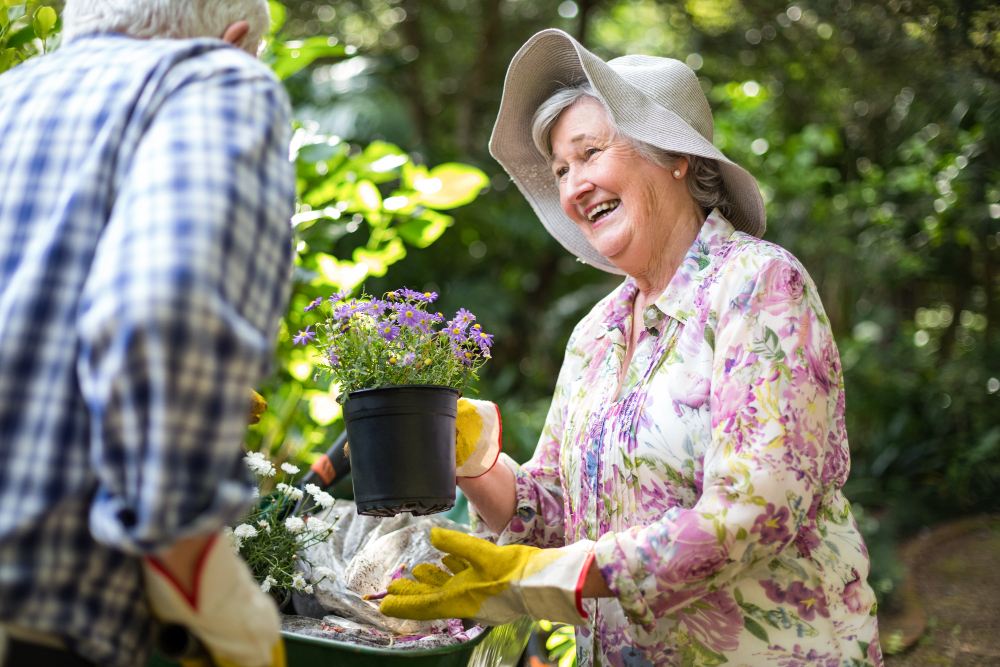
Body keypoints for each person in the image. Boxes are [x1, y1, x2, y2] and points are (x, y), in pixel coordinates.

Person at [380, 29, 884, 667]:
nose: (572, 187)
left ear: (674, 154)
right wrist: (476, 460)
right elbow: (558, 516)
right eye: (561, 170)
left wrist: (531, 579)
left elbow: (754, 515)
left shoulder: (757, 286)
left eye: (590, 153)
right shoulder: (596, 332)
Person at [0, 2, 295, 666]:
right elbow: (163, 309)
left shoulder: (7, 98)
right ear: (235, 41)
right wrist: (191, 562)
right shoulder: (213, 79)